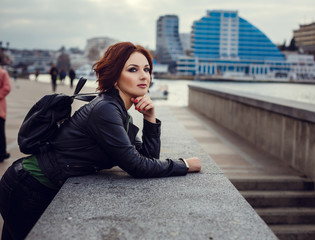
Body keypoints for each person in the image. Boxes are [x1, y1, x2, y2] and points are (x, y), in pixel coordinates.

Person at [0, 42, 201, 240]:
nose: (144, 76)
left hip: (35, 186)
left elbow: (147, 157)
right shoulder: (105, 110)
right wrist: (183, 164)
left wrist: (150, 118)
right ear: (114, 77)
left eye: (147, 69)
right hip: (28, 187)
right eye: (133, 69)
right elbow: (137, 166)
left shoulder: (118, 111)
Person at [0, 65, 11, 162]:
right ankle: (2, 153)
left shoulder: (2, 73)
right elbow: (7, 88)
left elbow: (7, 88)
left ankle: (2, 153)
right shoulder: (3, 72)